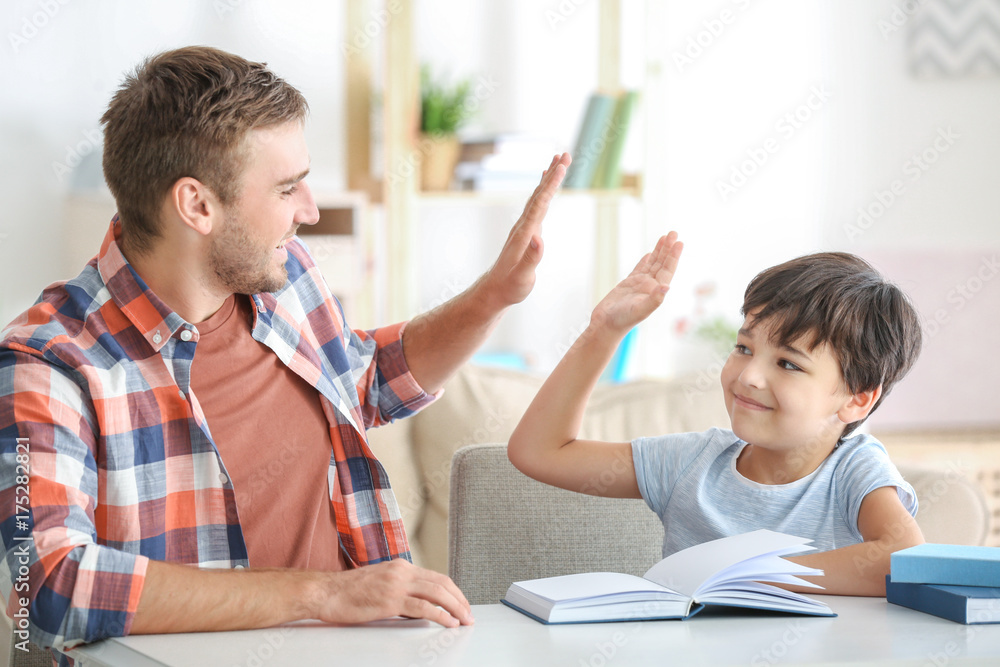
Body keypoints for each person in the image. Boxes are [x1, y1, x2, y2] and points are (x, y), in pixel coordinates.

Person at [0, 45, 570, 662]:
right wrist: (323, 595)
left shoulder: (288, 275)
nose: (310, 210)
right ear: (197, 205)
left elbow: (366, 382)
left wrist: (492, 297)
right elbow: (48, 582)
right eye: (287, 188)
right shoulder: (48, 362)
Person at [508, 232, 925, 596]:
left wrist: (748, 577)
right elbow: (540, 451)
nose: (749, 376)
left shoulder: (853, 468)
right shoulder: (693, 463)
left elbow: (903, 558)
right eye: (744, 348)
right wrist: (605, 330)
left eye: (788, 364)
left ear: (857, 399)